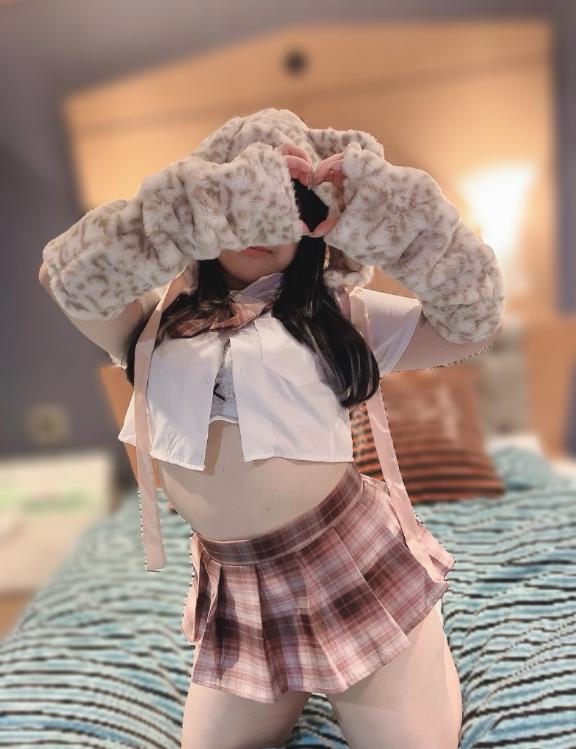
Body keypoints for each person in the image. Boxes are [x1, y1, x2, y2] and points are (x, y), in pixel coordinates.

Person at [39, 108, 505, 749]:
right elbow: (63, 275)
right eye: (242, 197)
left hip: (349, 565)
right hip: (239, 588)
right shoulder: (150, 322)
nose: (263, 220)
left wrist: (382, 209)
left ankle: (420, 635)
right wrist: (196, 204)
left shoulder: (345, 315)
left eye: (287, 203)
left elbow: (474, 320)